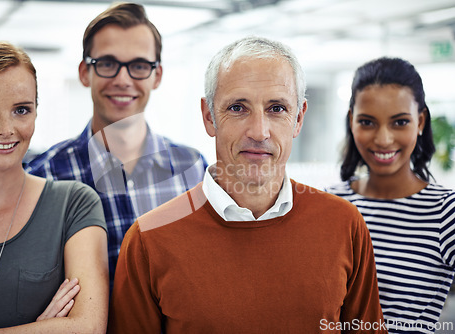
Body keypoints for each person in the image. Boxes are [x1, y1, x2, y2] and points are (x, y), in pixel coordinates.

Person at [108, 36, 387, 333]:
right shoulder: (149, 239)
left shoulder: (344, 224)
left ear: (299, 118)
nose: (259, 131)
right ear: (209, 116)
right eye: (238, 108)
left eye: (277, 108)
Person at [25, 2, 207, 289]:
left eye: (138, 66)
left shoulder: (194, 171)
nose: (123, 80)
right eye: (108, 64)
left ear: (156, 76)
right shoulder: (41, 177)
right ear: (85, 72)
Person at [0, 42, 108, 332]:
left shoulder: (74, 204)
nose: (6, 128)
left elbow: (89, 327)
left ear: (36, 111)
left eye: (21, 110)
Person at [326, 57, 455, 334]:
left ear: (420, 121)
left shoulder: (446, 212)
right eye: (367, 122)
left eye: (399, 122)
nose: (383, 139)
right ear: (352, 121)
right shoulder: (328, 205)